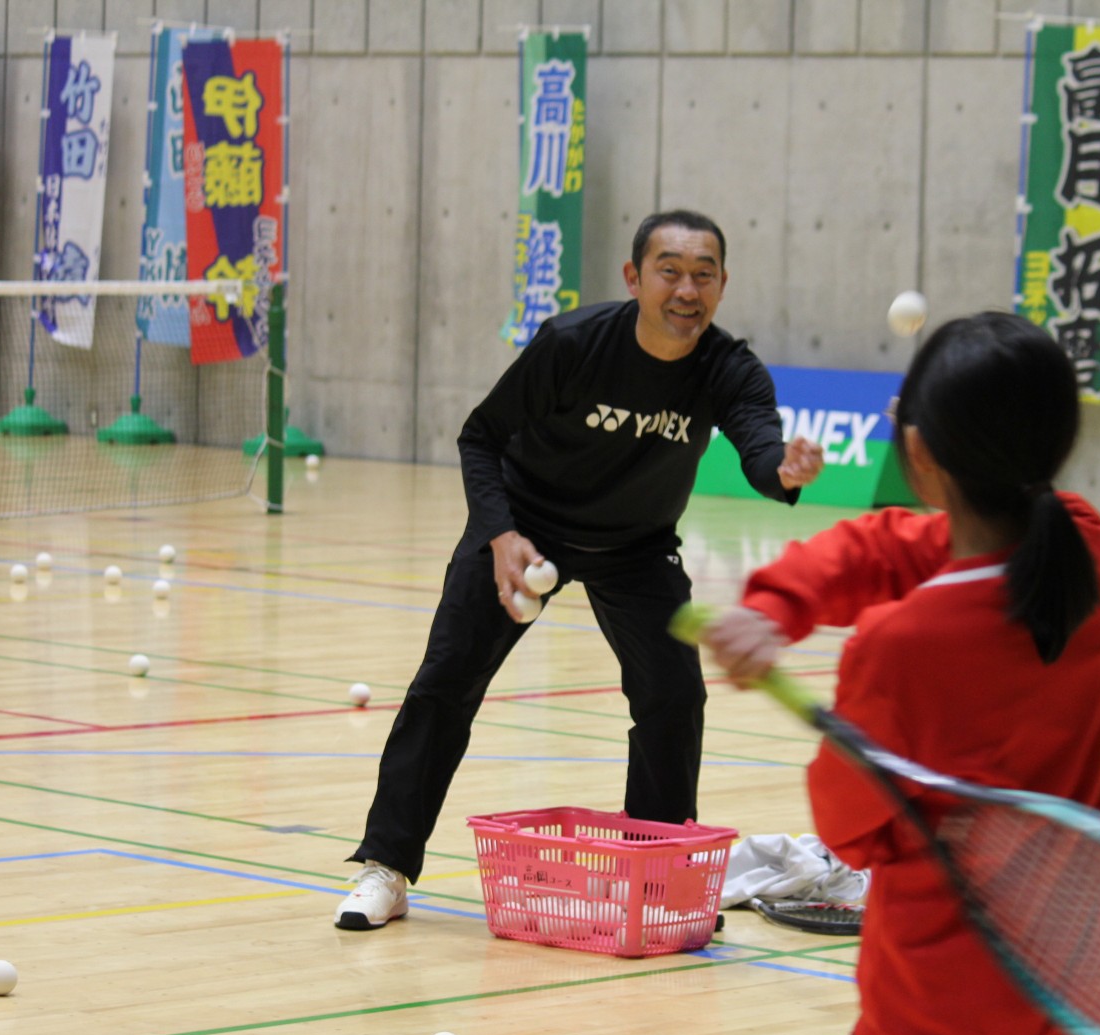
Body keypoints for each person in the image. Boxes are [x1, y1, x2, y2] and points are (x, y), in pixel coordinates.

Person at [698, 313, 1100, 1035]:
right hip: (1085, 983)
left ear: (920, 453)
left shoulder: (903, 647)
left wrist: (833, 700)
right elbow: (894, 543)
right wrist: (779, 603)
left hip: (941, 1012)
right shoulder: (1086, 549)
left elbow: (849, 830)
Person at [335, 209, 825, 931]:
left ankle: (654, 876)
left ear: (722, 284)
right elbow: (481, 436)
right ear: (634, 278)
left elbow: (760, 450)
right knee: (446, 683)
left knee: (672, 695)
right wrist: (499, 534)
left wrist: (782, 468)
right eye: (670, 271)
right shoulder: (572, 344)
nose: (687, 290)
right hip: (526, 528)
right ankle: (388, 865)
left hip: (637, 544)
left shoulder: (729, 368)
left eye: (704, 274)